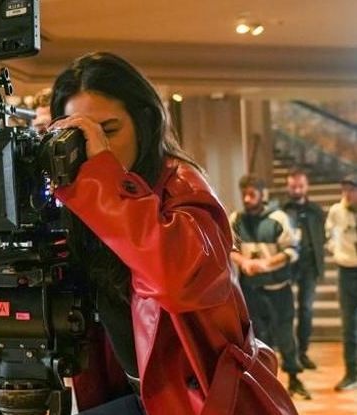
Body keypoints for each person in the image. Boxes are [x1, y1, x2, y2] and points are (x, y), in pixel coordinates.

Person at [47, 52, 297, 414]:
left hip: (200, 402)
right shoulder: (87, 201)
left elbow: (175, 280)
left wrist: (102, 182)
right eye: (80, 136)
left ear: (143, 122)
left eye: (109, 131)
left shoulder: (183, 187)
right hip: (139, 395)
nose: (96, 149)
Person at [229, 174, 310, 400]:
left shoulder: (278, 218)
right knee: (258, 338)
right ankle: (266, 385)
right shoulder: (236, 218)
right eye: (244, 194)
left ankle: (294, 379)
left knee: (285, 335)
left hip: (278, 289)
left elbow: (292, 250)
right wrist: (243, 262)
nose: (247, 199)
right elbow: (230, 247)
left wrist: (266, 264)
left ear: (262, 194)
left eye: (252, 194)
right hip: (250, 290)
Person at [281, 168, 326, 370]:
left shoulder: (317, 210)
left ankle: (303, 353)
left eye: (300, 186)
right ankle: (289, 355)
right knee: (286, 311)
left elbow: (323, 235)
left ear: (307, 186)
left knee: (306, 310)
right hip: (287, 265)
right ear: (288, 187)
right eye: (293, 186)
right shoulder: (281, 210)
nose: (297, 190)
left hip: (309, 266)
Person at [326, 173, 357, 391]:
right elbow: (330, 235)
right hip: (346, 271)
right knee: (349, 326)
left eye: (352, 189)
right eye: (344, 189)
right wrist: (336, 251)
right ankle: (352, 373)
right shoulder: (336, 211)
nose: (347, 194)